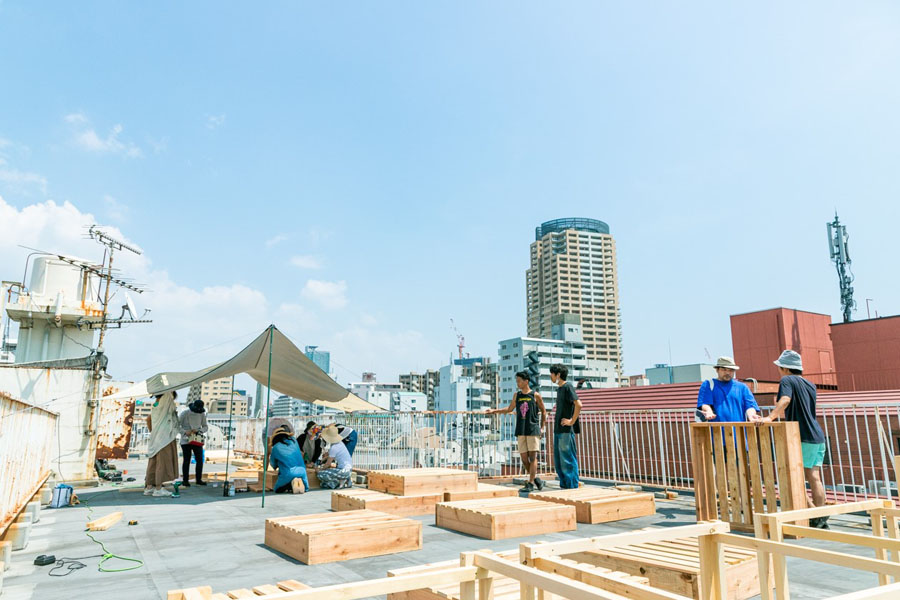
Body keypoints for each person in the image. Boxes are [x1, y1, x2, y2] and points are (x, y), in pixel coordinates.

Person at [762, 350, 829, 528]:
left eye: (779, 367)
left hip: (801, 435)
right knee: (814, 477)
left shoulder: (787, 380)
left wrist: (770, 417)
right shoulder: (810, 385)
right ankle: (820, 515)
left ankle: (815, 515)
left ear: (785, 368)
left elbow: (785, 399)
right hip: (817, 435)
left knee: (794, 478)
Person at [486, 370, 547, 492]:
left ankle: (530, 483)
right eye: (517, 381)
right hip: (520, 429)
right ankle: (536, 479)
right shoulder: (517, 395)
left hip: (533, 429)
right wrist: (494, 411)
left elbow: (544, 411)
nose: (517, 383)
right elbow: (509, 409)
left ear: (526, 381)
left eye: (519, 381)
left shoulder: (535, 395)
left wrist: (542, 428)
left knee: (533, 457)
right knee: (524, 458)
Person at [697, 357, 762, 423]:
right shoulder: (708, 385)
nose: (727, 372)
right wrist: (708, 411)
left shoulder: (742, 387)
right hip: (717, 428)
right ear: (717, 370)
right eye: (724, 369)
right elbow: (705, 404)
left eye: (731, 370)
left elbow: (750, 406)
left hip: (739, 428)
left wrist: (752, 416)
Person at [550, 364, 581, 489]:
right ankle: (564, 485)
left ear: (558, 375)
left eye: (552, 374)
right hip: (558, 429)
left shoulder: (568, 387)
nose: (550, 376)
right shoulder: (560, 389)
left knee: (567, 459)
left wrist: (571, 421)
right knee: (559, 460)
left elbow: (579, 404)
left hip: (566, 430)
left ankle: (572, 486)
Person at [144, 391, 180, 497]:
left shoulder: (156, 405)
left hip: (155, 438)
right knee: (162, 463)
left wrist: (153, 431)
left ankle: (149, 487)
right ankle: (158, 489)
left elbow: (148, 419)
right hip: (164, 438)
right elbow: (168, 392)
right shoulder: (165, 402)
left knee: (153, 463)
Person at [269, 424, 309, 494]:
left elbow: (273, 463)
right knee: (305, 489)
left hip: (288, 473)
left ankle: (289, 484)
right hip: (302, 471)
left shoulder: (276, 447)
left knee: (277, 489)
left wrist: (275, 467)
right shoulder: (294, 441)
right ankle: (297, 483)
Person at [179, 399, 208, 487]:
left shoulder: (202, 414)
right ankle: (185, 480)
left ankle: (198, 479)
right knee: (186, 460)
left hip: (197, 438)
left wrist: (199, 430)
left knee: (199, 459)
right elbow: (177, 425)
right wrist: (185, 431)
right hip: (186, 439)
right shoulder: (185, 413)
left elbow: (205, 426)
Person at [316, 424, 353, 489]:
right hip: (348, 469)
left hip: (343, 471)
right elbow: (331, 455)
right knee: (329, 472)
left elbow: (328, 464)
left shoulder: (334, 447)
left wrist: (319, 470)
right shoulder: (340, 443)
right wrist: (324, 458)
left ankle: (337, 482)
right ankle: (345, 479)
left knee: (320, 474)